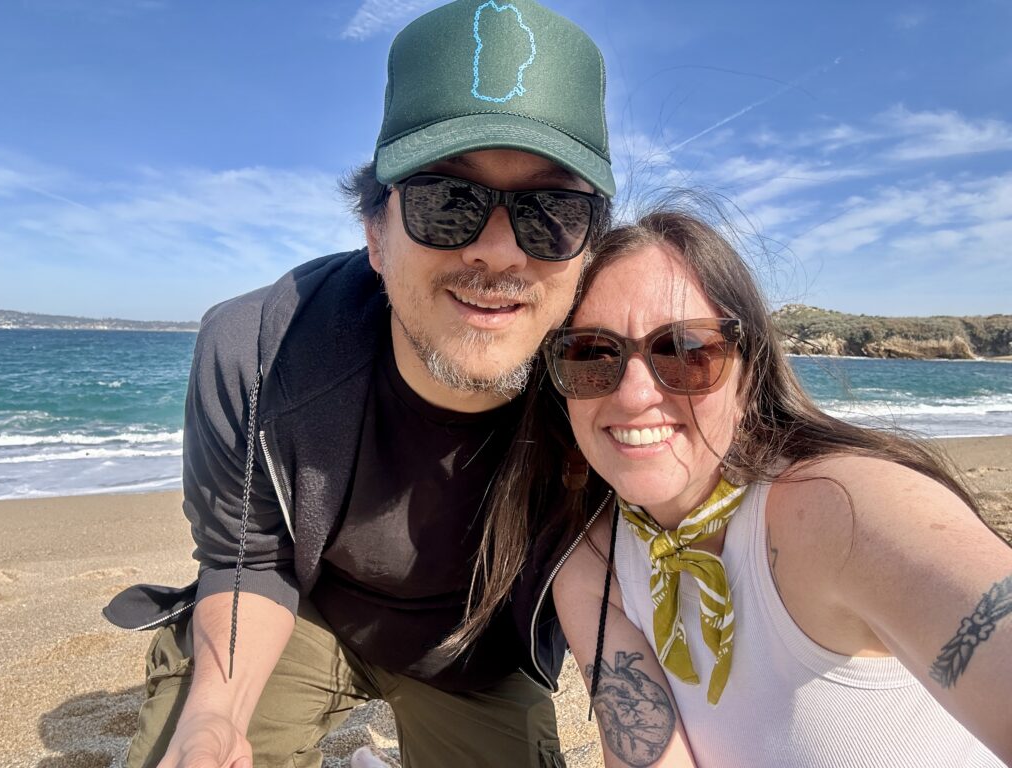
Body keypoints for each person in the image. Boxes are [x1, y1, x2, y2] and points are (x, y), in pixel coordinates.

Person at [103, 2, 616, 766]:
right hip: (301, 611)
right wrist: (213, 716)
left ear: (586, 253)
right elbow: (246, 558)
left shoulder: (613, 388)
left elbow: (634, 574)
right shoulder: (255, 353)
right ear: (375, 232)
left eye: (551, 212)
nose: (499, 251)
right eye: (449, 201)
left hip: (473, 655)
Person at [542, 207, 1012, 766]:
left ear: (749, 375)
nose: (633, 394)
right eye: (592, 353)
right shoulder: (593, 566)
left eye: (686, 351)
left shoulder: (838, 509)